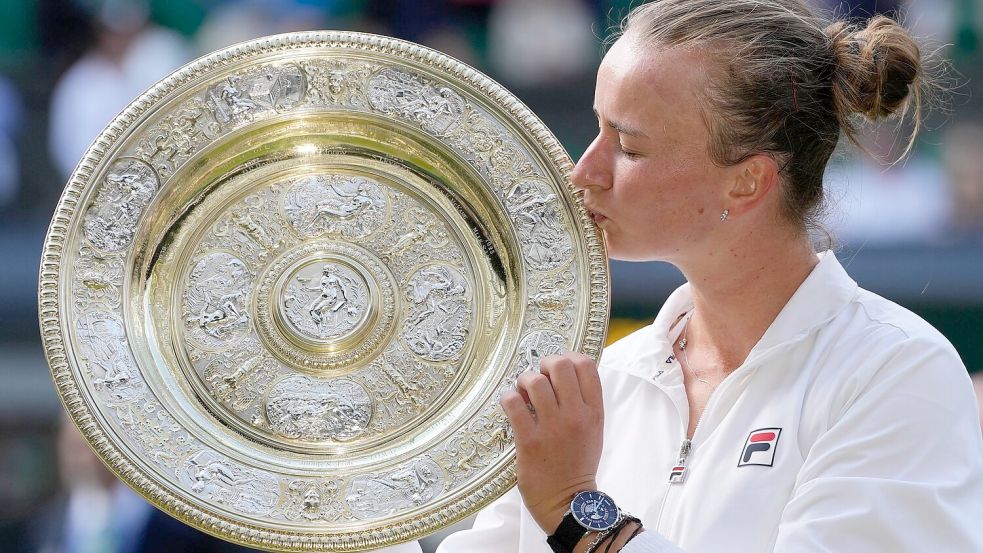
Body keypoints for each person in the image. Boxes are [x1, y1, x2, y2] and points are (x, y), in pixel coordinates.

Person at [382, 1, 983, 552]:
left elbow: (567, 511)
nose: (584, 171)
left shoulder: (897, 372)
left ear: (746, 181)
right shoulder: (607, 377)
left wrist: (575, 510)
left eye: (630, 147)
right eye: (597, 128)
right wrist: (346, 484)